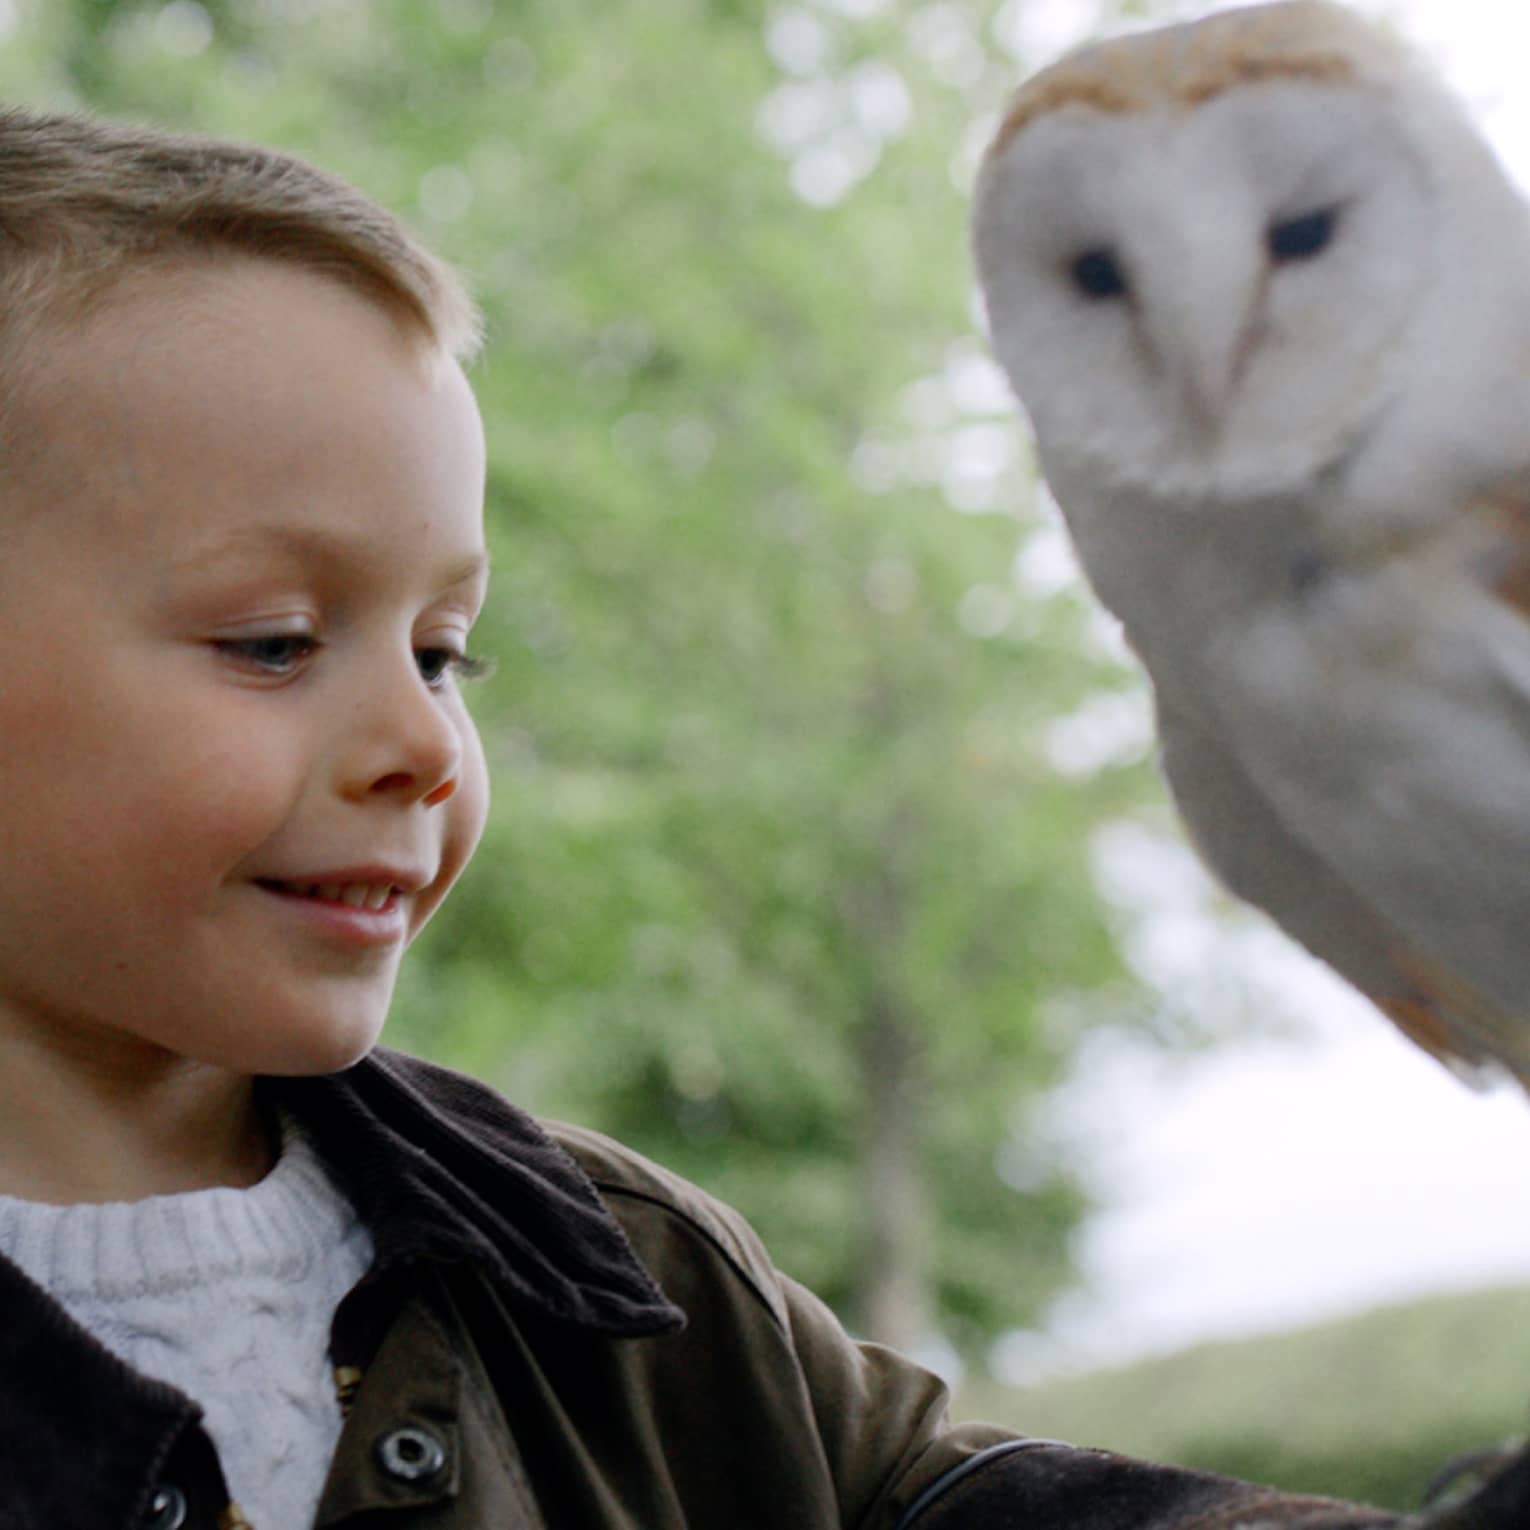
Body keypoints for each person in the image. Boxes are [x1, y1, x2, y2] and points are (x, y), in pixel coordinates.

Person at [0, 104, 1509, 1530]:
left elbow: (924, 1501)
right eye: (272, 639)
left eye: (442, 649)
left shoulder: (620, 1273)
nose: (420, 738)